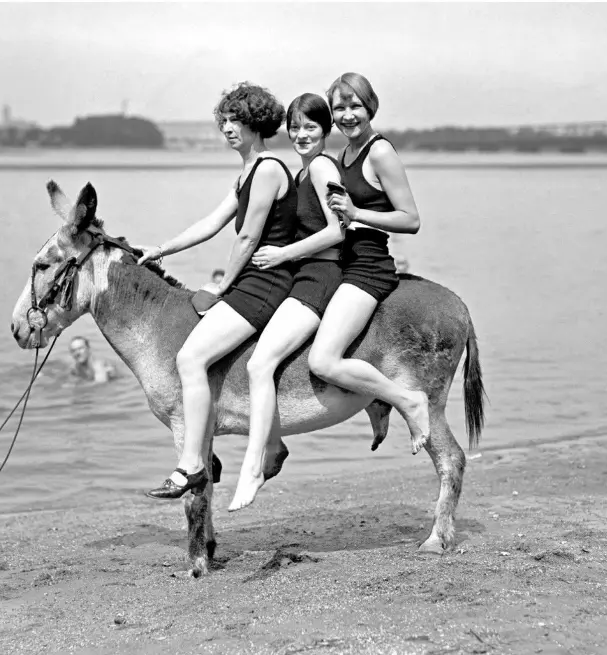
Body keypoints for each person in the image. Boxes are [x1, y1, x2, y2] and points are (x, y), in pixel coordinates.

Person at [138, 82, 298, 500]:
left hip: (266, 282)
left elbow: (247, 237)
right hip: (252, 280)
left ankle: (192, 465)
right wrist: (161, 249)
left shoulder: (268, 169)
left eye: (236, 120)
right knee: (195, 357)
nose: (227, 128)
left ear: (256, 123)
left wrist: (223, 286)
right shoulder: (247, 172)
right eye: (223, 120)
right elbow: (211, 223)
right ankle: (204, 457)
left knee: (190, 358)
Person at [227, 93, 345, 511]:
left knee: (260, 364)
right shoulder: (301, 172)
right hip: (301, 275)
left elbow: (337, 230)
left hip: (320, 277)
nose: (301, 135)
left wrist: (282, 255)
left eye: (310, 127)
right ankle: (274, 445)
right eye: (294, 127)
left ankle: (254, 467)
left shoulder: (323, 167)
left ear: (326, 130)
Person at [308, 72, 430, 455]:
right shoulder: (343, 155)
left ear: (370, 106)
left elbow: (411, 219)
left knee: (323, 361)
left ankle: (407, 401)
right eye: (339, 108)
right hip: (341, 264)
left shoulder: (379, 152)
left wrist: (357, 212)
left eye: (355, 106)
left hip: (368, 268)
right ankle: (375, 401)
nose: (347, 115)